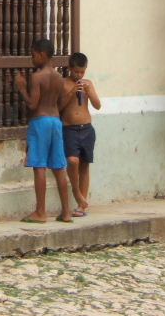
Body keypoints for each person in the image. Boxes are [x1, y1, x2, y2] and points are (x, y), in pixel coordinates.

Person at [15, 39, 73, 223]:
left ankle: (40, 212)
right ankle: (66, 212)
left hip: (40, 121)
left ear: (42, 54)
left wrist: (21, 88)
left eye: (33, 55)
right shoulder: (58, 77)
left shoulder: (36, 77)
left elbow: (33, 104)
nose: (32, 59)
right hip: (55, 120)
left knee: (39, 166)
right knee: (58, 167)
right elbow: (61, 101)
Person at [60, 52, 101, 217]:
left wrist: (89, 92)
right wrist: (71, 93)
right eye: (76, 72)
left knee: (84, 165)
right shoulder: (63, 83)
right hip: (69, 128)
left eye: (82, 72)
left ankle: (81, 205)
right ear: (70, 68)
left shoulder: (88, 83)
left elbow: (98, 105)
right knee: (72, 161)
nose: (79, 75)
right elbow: (59, 108)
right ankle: (77, 193)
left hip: (87, 129)